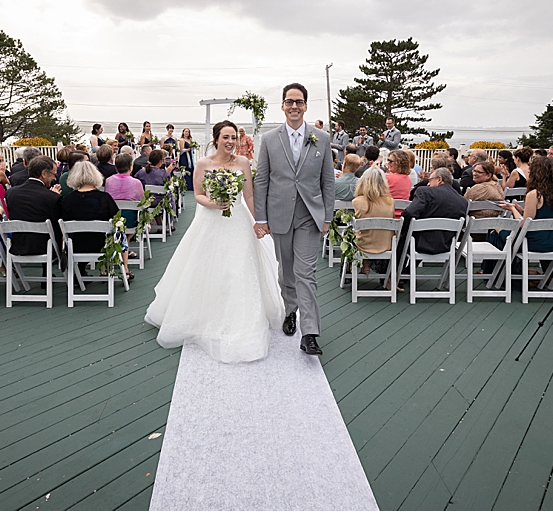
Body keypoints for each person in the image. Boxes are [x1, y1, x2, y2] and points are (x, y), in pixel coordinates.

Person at [147, 120, 283, 363]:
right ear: (216, 139)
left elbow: (249, 194)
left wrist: (258, 221)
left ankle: (240, 318)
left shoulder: (243, 162)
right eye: (226, 137)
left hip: (238, 220)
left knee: (238, 268)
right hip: (211, 220)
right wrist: (212, 203)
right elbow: (198, 194)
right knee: (208, 265)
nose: (230, 142)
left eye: (234, 137)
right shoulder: (204, 163)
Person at [254, 83, 335, 356]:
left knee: (306, 272)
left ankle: (309, 332)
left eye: (299, 102)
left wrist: (327, 217)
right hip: (279, 215)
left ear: (306, 106)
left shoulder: (322, 139)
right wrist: (261, 218)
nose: (294, 106)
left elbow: (328, 182)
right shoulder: (269, 139)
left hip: (310, 216)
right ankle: (290, 310)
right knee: (286, 270)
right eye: (289, 102)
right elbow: (262, 180)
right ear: (282, 105)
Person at [61, 159, 131, 280]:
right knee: (120, 230)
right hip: (103, 245)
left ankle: (81, 271)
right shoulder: (104, 198)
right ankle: (124, 268)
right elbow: (117, 219)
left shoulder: (67, 200)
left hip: (76, 246)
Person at [496, 157, 553, 262]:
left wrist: (512, 208)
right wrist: (522, 211)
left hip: (534, 241)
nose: (528, 170)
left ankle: (500, 272)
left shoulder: (535, 194)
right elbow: (542, 215)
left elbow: (524, 224)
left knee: (496, 230)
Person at [5, 156, 63, 262]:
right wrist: (53, 197)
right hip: (46, 248)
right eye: (54, 174)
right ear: (44, 174)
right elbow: (57, 225)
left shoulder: (11, 193)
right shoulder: (52, 197)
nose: (55, 178)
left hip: (18, 246)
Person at [352, 167, 396, 275]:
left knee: (355, 232)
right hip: (385, 245)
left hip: (362, 245)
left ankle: (363, 264)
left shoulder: (357, 202)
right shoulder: (390, 202)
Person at [384, 150, 412, 218]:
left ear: (399, 163)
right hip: (403, 216)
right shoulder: (408, 179)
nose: (388, 163)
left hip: (387, 215)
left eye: (390, 161)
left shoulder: (386, 177)